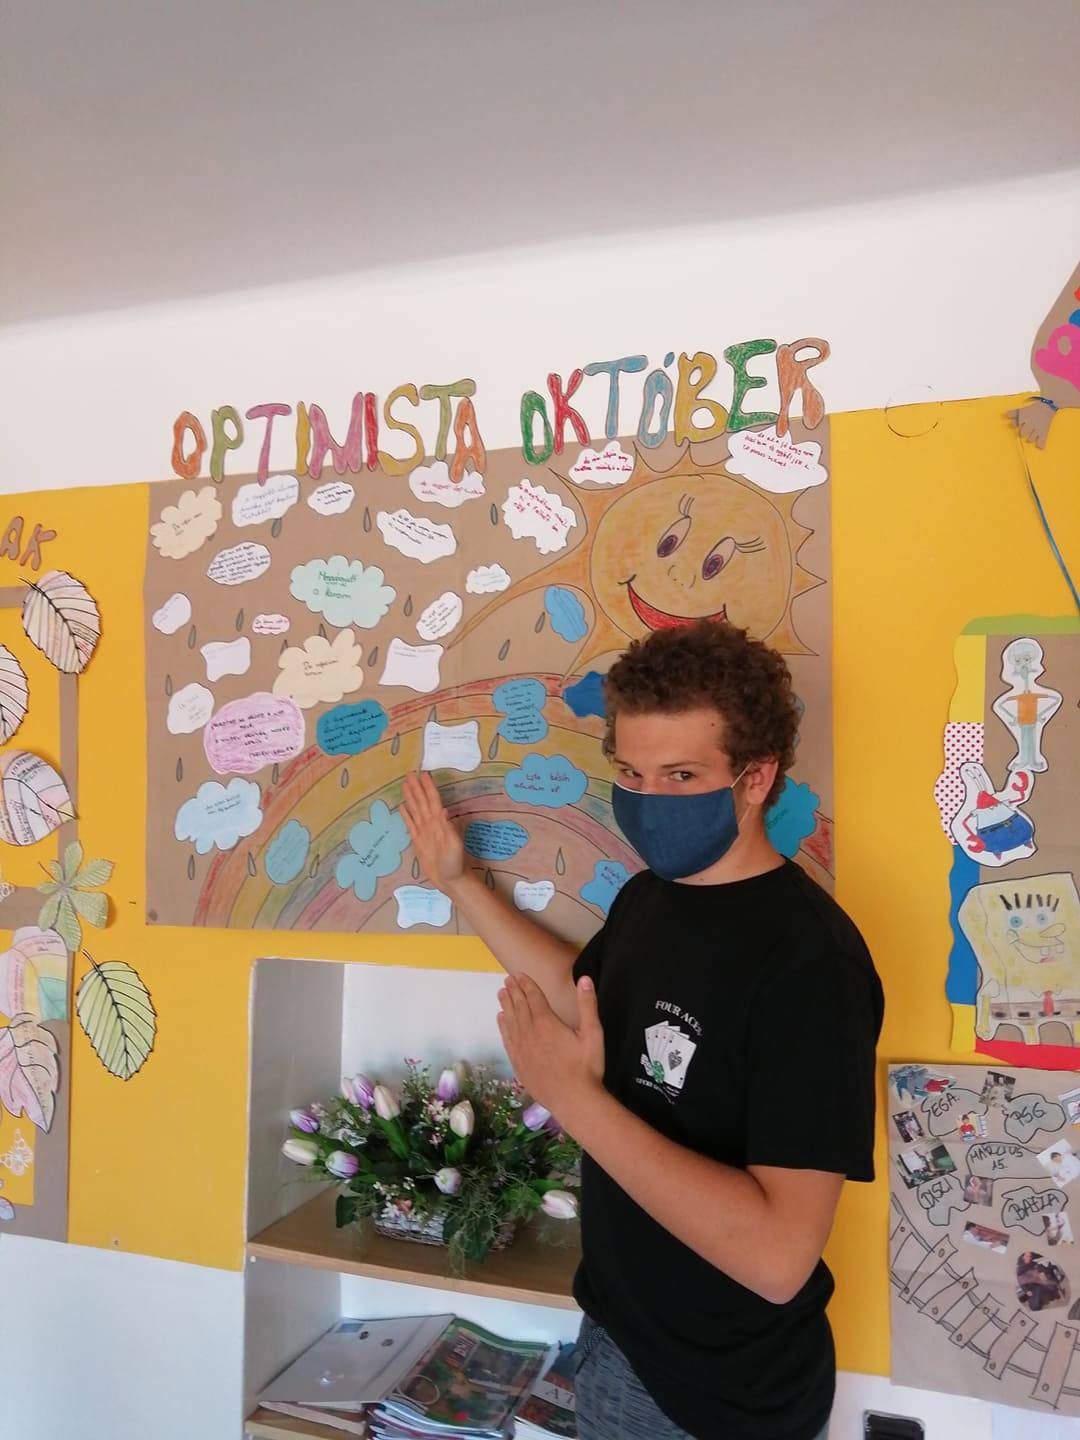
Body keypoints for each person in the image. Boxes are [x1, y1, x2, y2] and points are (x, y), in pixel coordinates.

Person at [401, 620, 884, 1440]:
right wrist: (462, 885)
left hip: (711, 1397)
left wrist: (572, 1099)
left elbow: (778, 1258)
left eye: (682, 775)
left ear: (758, 776)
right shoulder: (655, 894)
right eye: (631, 772)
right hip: (619, 1337)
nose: (650, 800)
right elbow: (588, 997)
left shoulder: (811, 966)